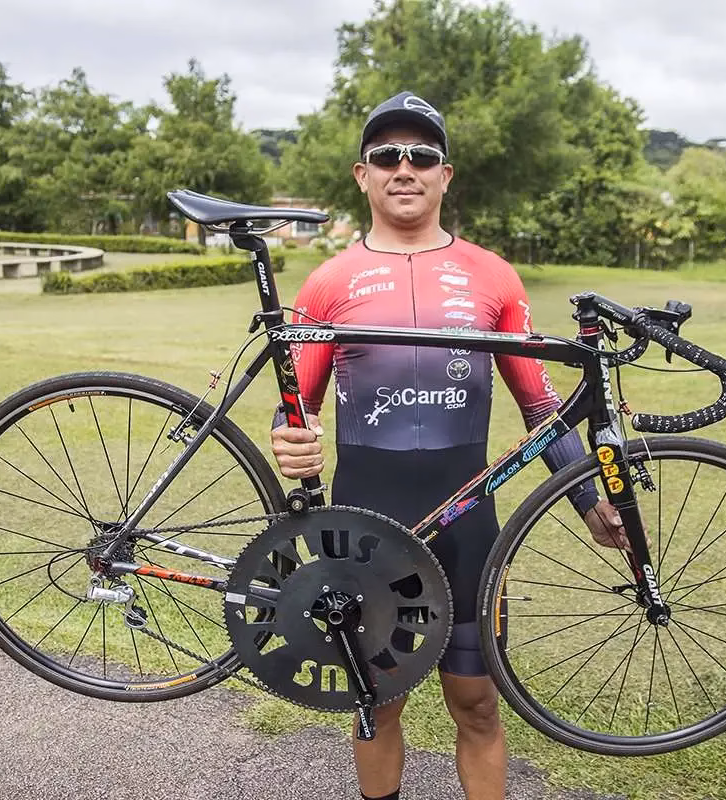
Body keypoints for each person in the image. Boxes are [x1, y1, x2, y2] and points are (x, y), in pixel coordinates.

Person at [270, 91, 628, 800]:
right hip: (367, 533)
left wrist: (587, 499)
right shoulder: (328, 281)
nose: (405, 168)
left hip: (469, 530)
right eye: (387, 156)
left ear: (445, 174)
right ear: (362, 175)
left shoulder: (493, 276)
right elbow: (296, 414)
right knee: (379, 707)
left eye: (422, 155)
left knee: (478, 703)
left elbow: (539, 404)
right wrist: (291, 445)